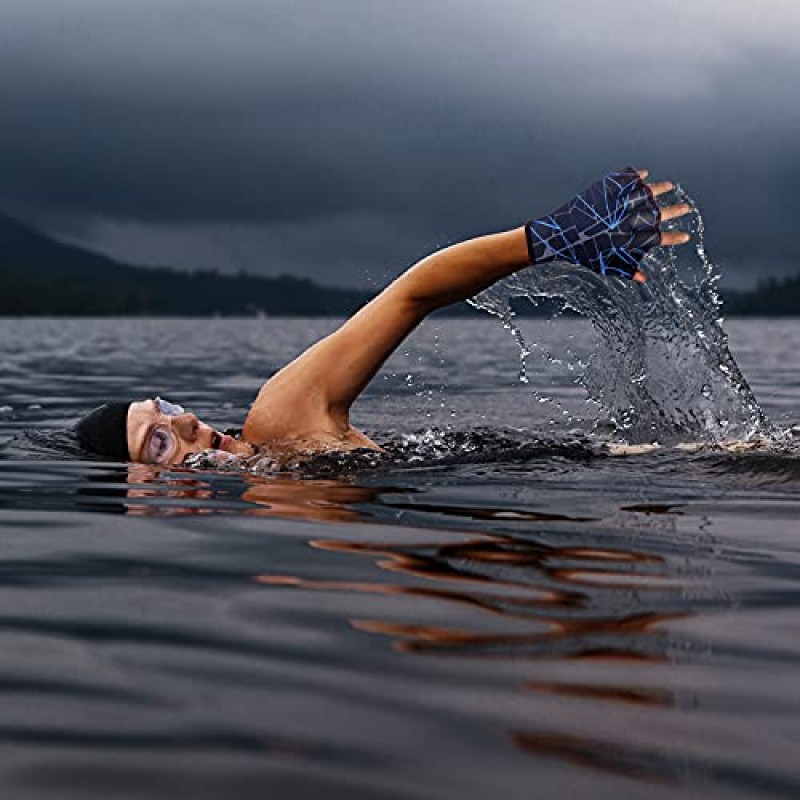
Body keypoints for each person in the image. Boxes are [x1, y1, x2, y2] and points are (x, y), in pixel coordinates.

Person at [76, 167, 691, 466]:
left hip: (641, 465)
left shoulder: (282, 417)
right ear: (141, 493)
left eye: (167, 410)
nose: (186, 426)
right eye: (156, 441)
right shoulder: (275, 526)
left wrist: (549, 238)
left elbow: (412, 294)